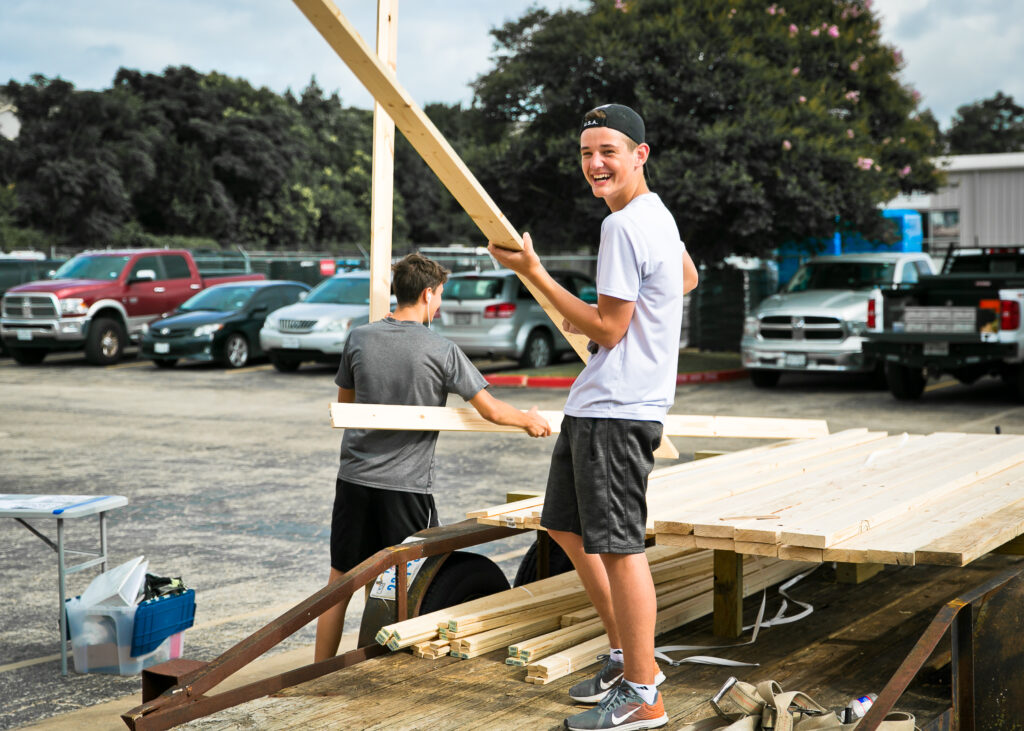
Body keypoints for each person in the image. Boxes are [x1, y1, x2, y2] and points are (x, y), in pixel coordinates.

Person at [489, 103, 699, 731]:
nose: (595, 164)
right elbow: (685, 277)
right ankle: (624, 657)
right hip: (601, 401)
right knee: (566, 528)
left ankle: (644, 693)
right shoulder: (654, 214)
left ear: (641, 153)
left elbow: (610, 324)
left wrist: (534, 274)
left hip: (617, 408)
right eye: (586, 153)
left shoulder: (623, 228)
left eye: (608, 150)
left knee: (618, 547)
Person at [314, 253, 552, 663]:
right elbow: (491, 410)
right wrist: (528, 420)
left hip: (353, 479)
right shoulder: (441, 350)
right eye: (439, 296)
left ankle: (318, 670)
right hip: (405, 488)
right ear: (426, 294)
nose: (439, 304)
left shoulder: (360, 338)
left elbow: (346, 405)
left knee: (342, 580)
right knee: (402, 584)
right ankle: (373, 666)